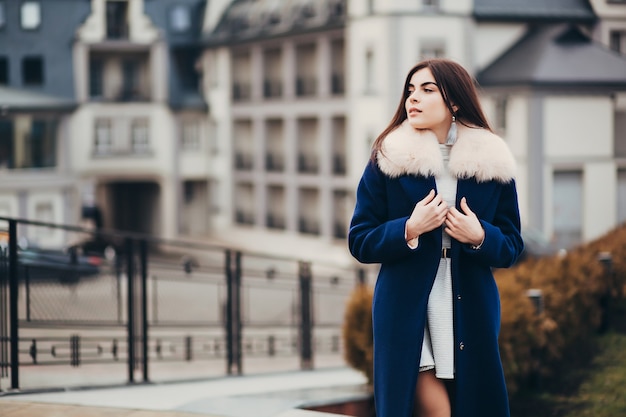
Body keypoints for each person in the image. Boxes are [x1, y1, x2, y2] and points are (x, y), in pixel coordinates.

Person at [348, 58, 524, 417]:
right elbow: (360, 239)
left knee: (471, 401)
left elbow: (511, 246)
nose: (413, 98)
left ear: (454, 102)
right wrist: (408, 228)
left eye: (427, 90)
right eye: (410, 90)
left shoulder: (491, 161)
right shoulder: (388, 158)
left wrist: (479, 236)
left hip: (468, 301)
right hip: (405, 303)